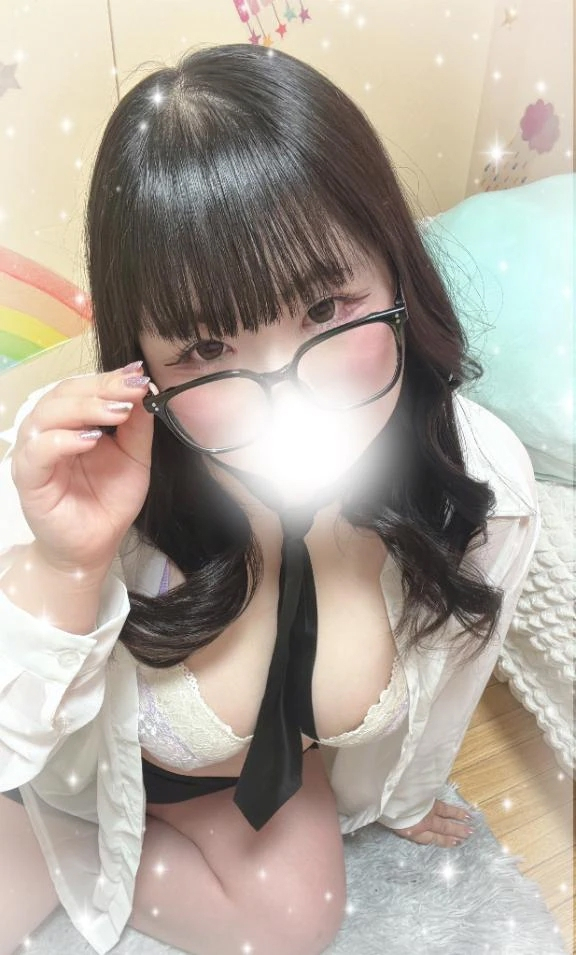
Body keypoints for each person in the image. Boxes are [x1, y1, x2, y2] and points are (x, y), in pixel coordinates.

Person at [0, 42, 540, 955]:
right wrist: (66, 567)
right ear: (141, 361)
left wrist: (406, 797)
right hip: (70, 764)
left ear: (396, 271)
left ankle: (74, 859)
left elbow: (455, 677)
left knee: (296, 918)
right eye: (207, 349)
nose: (289, 394)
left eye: (325, 309)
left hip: (233, 796)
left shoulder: (481, 488)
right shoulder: (79, 468)